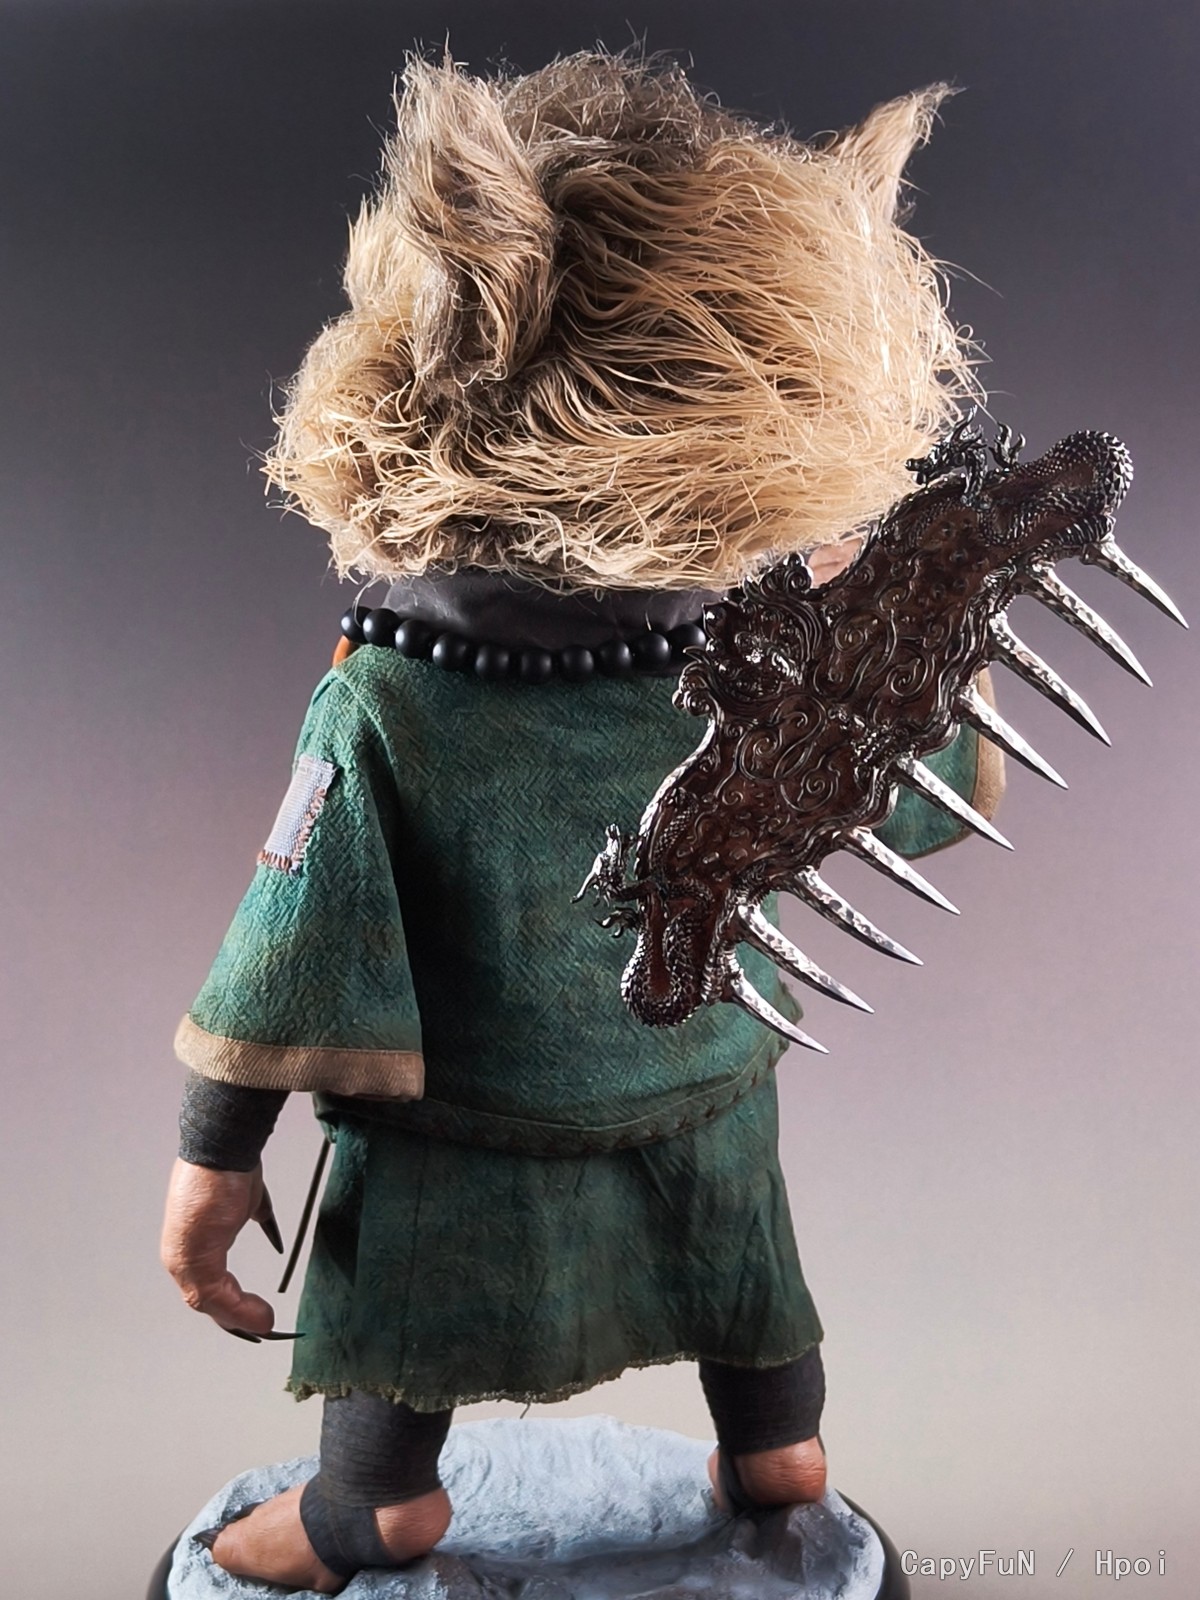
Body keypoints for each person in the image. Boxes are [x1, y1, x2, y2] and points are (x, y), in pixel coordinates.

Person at [160, 51, 992, 1592]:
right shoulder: (761, 669)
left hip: (470, 1115)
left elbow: (295, 934)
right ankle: (779, 1450)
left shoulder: (391, 702)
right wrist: (919, 629)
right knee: (740, 1261)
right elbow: (915, 791)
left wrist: (213, 1154)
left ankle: (372, 1503)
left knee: (399, 1270)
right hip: (706, 1072)